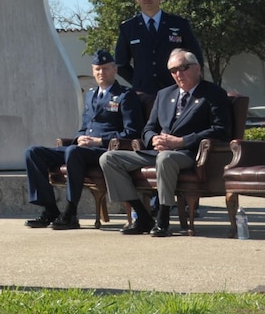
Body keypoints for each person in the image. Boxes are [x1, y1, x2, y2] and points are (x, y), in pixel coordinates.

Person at [98, 49, 231, 237]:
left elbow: (221, 130)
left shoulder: (213, 93)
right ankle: (143, 216)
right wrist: (153, 138)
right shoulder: (164, 94)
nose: (178, 74)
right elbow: (148, 128)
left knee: (166, 158)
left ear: (197, 68)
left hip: (190, 154)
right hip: (159, 152)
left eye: (183, 68)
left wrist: (181, 141)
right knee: (108, 158)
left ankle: (163, 218)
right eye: (173, 70)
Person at [20, 48, 145, 230]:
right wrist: (80, 138)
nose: (101, 73)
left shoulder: (126, 95)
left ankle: (71, 212)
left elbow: (133, 132)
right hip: (81, 148)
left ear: (115, 70)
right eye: (97, 69)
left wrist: (98, 141)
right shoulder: (90, 95)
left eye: (105, 68)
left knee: (73, 151)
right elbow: (85, 126)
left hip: (105, 150)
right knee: (33, 152)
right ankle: (50, 210)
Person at [114, 0, 203, 98]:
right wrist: (138, 80)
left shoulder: (178, 24)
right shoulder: (128, 28)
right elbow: (120, 64)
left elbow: (196, 57)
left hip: (175, 89)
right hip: (144, 93)